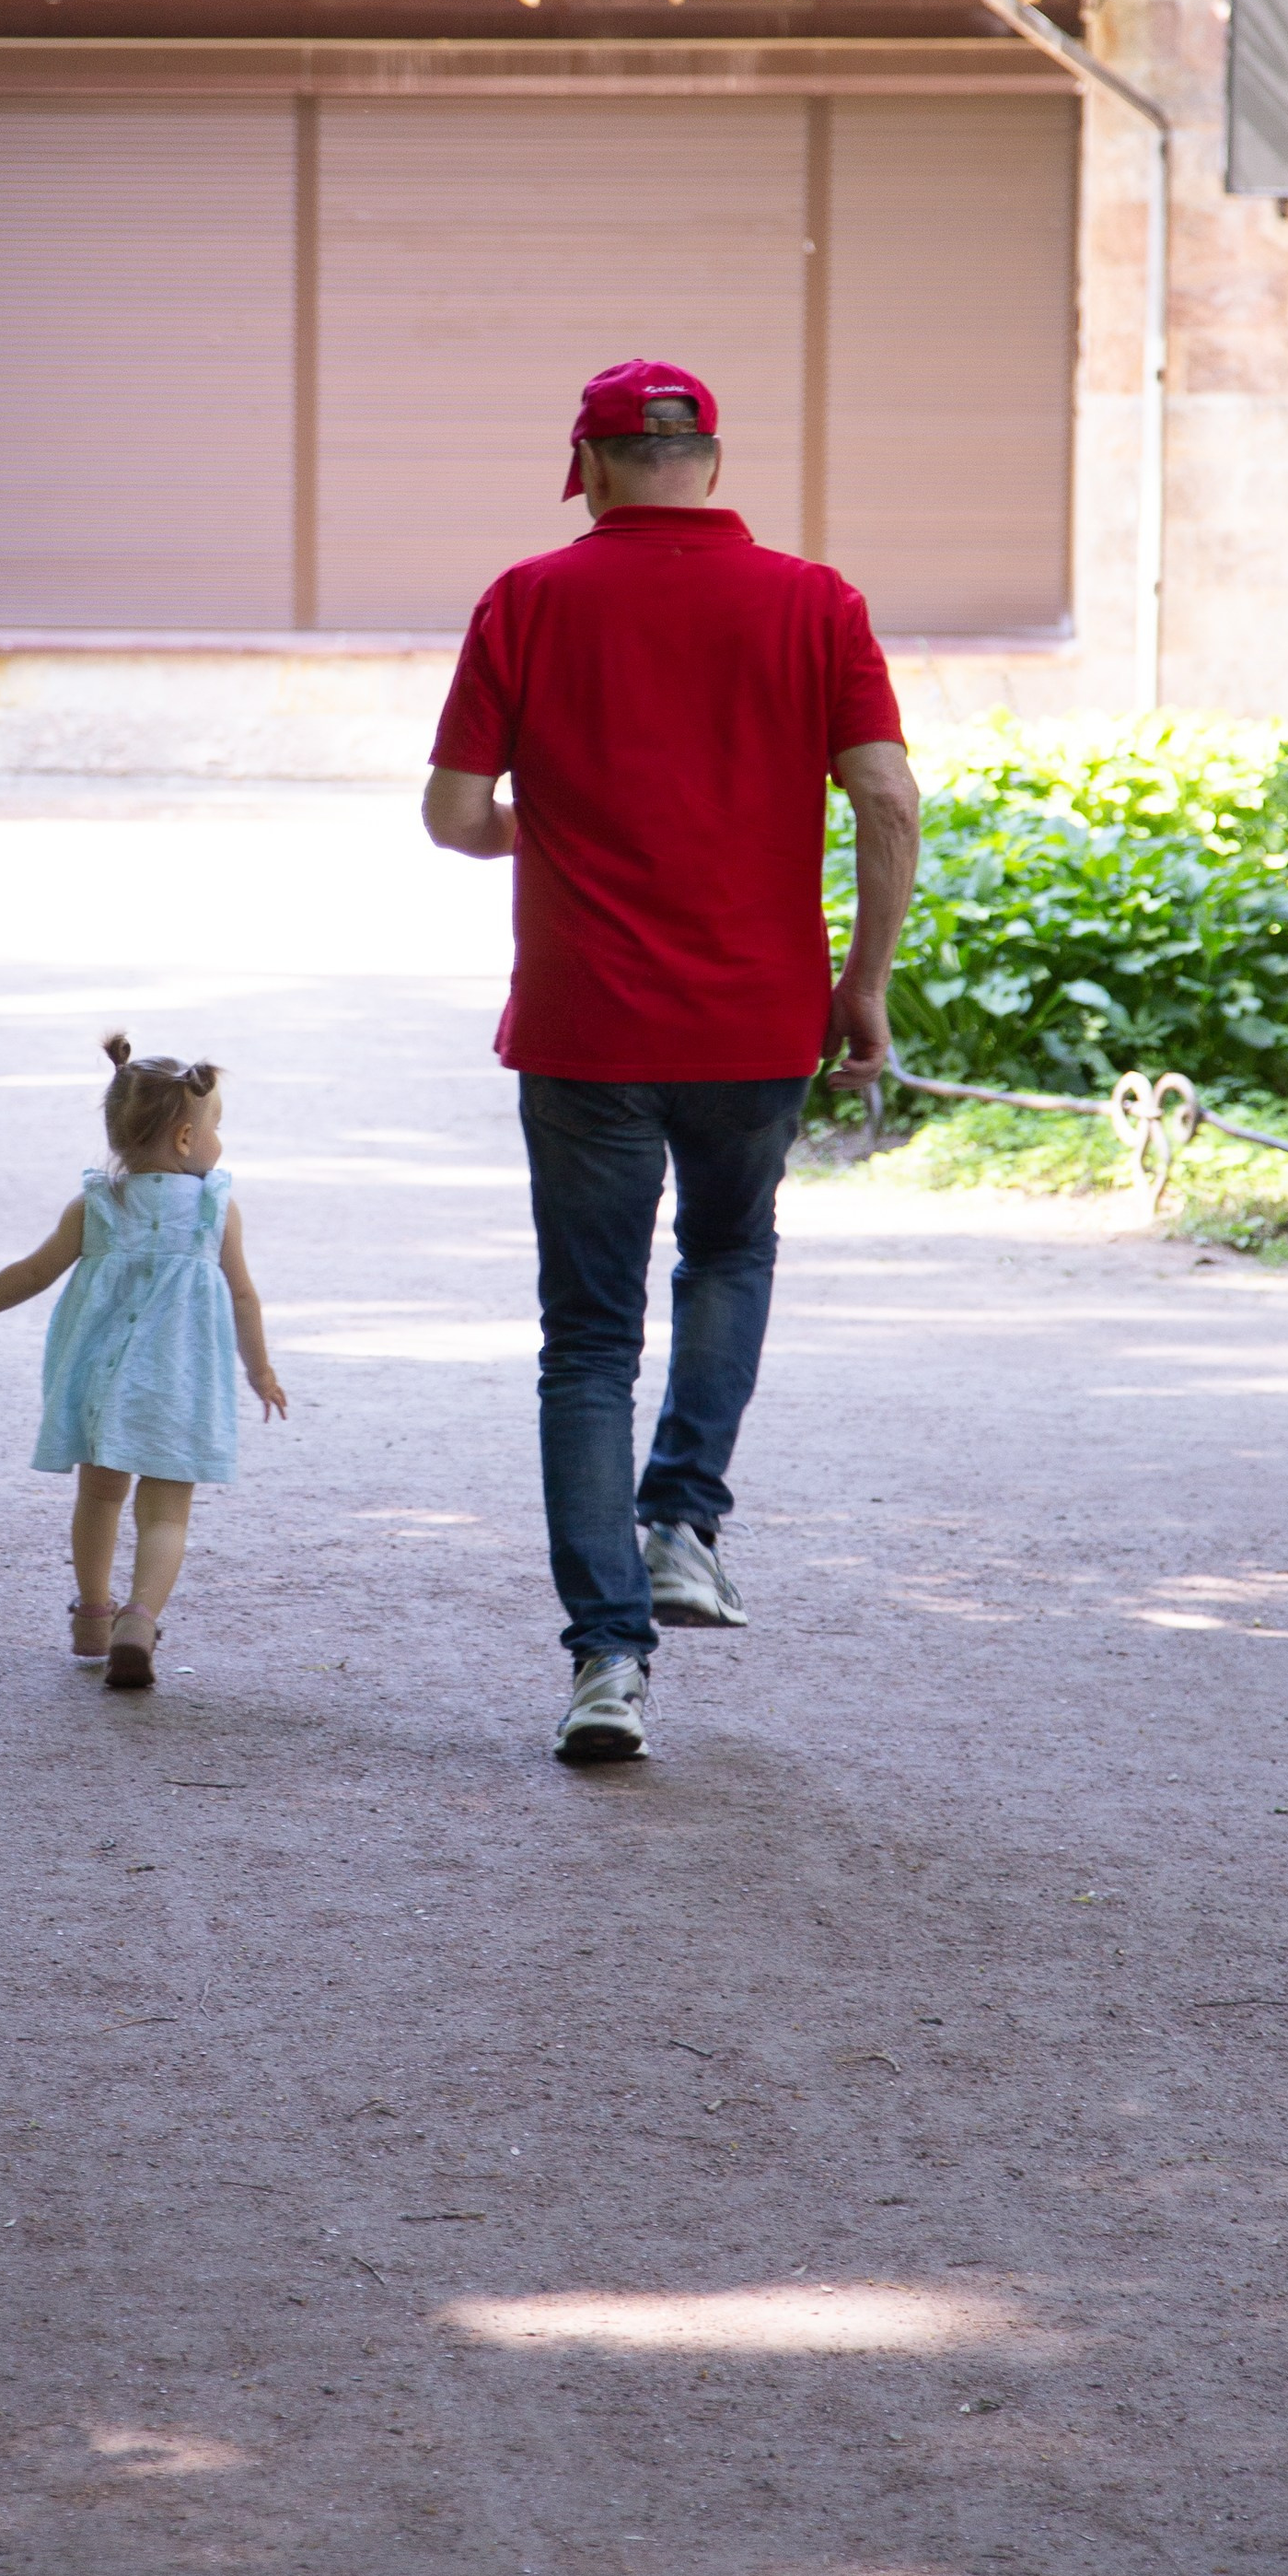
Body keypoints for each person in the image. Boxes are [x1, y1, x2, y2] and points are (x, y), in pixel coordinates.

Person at [423, 357, 921, 1767]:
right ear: (711, 460)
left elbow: (456, 813)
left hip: (587, 1027)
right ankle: (686, 1520)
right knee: (728, 1253)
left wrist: (551, 826)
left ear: (585, 466)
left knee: (585, 1340)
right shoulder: (816, 602)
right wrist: (860, 986)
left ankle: (605, 1665)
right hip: (758, 1022)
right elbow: (887, 796)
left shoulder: (527, 599)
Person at [0, 1034, 287, 1691]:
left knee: (100, 1494)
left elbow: (31, 1274)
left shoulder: (96, 1207)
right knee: (168, 1512)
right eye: (216, 1129)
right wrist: (260, 1371)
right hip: (182, 1387)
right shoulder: (214, 1211)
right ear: (182, 1139)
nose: (219, 1143)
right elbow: (244, 1295)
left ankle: (92, 1613)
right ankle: (140, 1620)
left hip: (103, 1386)